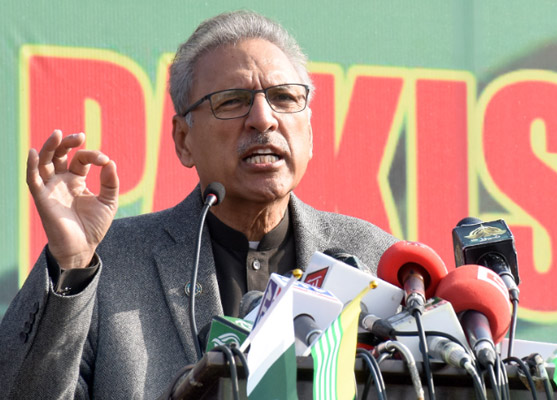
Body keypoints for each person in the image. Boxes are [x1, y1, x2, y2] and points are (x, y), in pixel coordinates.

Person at [0, 10, 397, 399]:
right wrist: (70, 265)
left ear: (309, 130)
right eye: (232, 101)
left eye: (283, 98)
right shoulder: (107, 264)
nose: (263, 119)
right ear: (183, 139)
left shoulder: (373, 259)